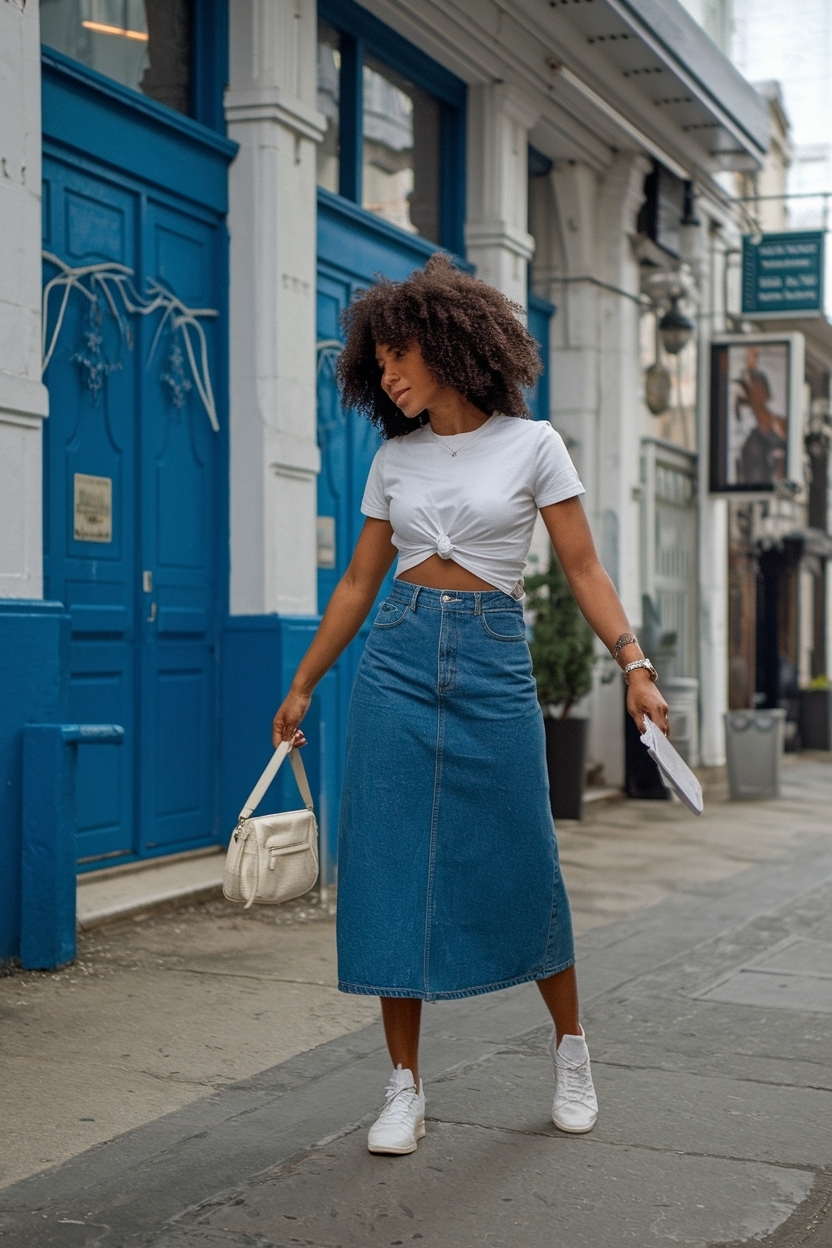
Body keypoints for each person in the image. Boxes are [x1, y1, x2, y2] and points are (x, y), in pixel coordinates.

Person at [272, 255, 669, 1156]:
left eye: (398, 356)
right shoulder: (392, 458)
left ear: (449, 346)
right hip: (397, 661)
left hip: (492, 659)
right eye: (377, 366)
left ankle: (571, 1050)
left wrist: (634, 665)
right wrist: (305, 681)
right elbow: (359, 584)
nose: (388, 375)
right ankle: (404, 1084)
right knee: (386, 865)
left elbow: (582, 569)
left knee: (524, 855)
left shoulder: (535, 446)